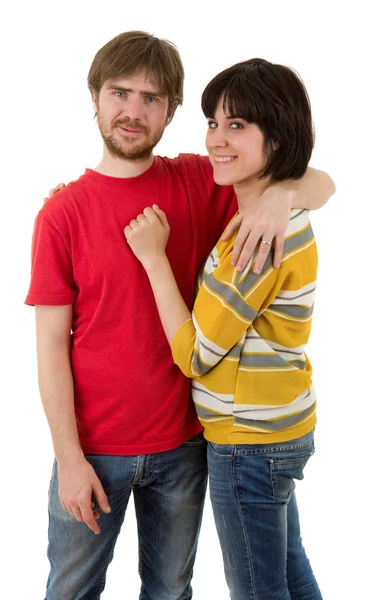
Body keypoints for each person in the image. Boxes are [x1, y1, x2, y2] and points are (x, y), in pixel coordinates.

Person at [25, 31, 333, 600]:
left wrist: (283, 194)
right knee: (69, 590)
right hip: (94, 450)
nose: (133, 111)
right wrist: (68, 458)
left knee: (170, 590)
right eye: (120, 93)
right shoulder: (62, 213)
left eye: (152, 98)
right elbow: (48, 347)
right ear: (94, 97)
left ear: (170, 110)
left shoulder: (198, 178)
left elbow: (317, 178)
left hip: (185, 446)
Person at [125, 57, 324, 600]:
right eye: (213, 122)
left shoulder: (257, 242)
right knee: (290, 573)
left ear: (277, 140)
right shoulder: (270, 215)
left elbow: (194, 355)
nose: (217, 138)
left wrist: (154, 259)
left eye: (237, 125)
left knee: (260, 590)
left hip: (247, 444)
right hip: (278, 428)